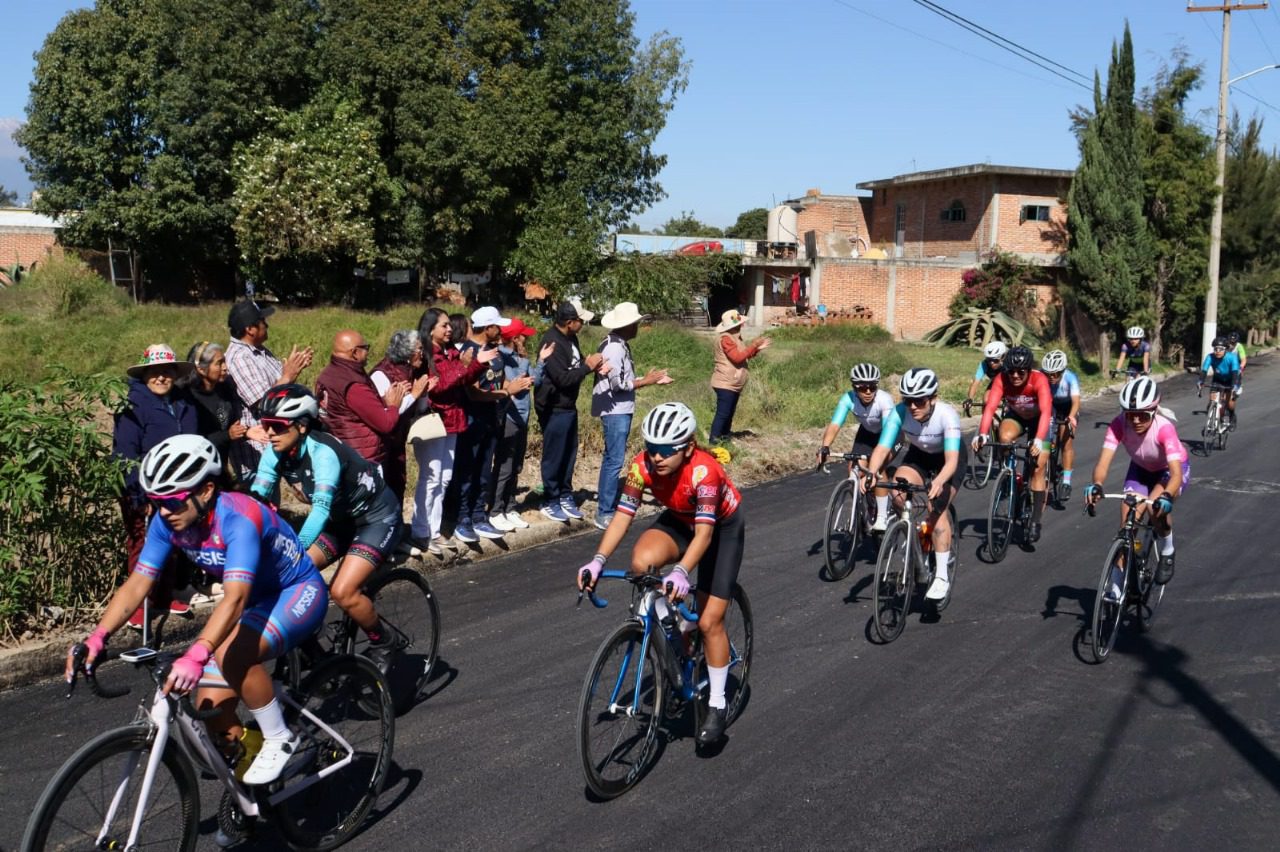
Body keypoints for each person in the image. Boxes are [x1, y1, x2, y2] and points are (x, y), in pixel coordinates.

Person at [69, 434, 329, 786]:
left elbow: (234, 599)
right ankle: (257, 789)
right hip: (256, 600)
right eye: (155, 501)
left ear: (206, 490)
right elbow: (138, 583)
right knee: (210, 709)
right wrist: (98, 637)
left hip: (295, 591)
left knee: (229, 654)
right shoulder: (166, 522)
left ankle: (280, 737)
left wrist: (197, 653)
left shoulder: (239, 518)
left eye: (172, 501)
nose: (163, 511)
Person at [576, 402, 744, 746]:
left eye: (666, 451)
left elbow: (705, 536)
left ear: (688, 448)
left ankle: (716, 702)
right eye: (652, 449)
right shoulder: (641, 467)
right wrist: (597, 560)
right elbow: (622, 517)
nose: (656, 457)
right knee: (641, 565)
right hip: (680, 519)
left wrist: (682, 570)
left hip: (719, 529)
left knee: (711, 620)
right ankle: (675, 629)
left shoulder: (704, 471)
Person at [249, 385, 404, 671]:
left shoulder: (323, 454)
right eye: (265, 425)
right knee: (287, 580)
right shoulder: (274, 453)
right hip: (340, 522)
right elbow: (254, 503)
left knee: (343, 591)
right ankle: (311, 646)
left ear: (302, 426)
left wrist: (290, 550)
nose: (268, 433)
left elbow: (319, 511)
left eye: (276, 426)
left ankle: (384, 639)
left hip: (376, 519)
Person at [114, 344, 199, 627]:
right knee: (142, 544)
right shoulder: (133, 406)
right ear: (145, 374)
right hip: (142, 489)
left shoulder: (183, 404)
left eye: (166, 372)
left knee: (173, 542)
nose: (161, 378)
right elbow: (125, 454)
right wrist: (141, 492)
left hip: (177, 486)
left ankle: (163, 597)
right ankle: (138, 605)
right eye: (155, 372)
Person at [864, 369, 965, 601]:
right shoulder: (900, 412)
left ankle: (941, 575)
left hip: (948, 461)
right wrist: (871, 472)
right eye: (908, 400)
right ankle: (910, 530)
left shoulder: (947, 415)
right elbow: (882, 448)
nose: (913, 407)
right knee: (899, 494)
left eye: (919, 400)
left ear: (933, 398)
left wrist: (939, 480)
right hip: (919, 456)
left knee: (936, 510)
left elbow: (951, 461)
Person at [1084, 376, 1187, 599]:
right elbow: (1103, 463)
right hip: (1140, 470)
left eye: (1143, 415)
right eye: (1131, 415)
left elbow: (1176, 474)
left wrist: (1168, 495)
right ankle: (1116, 584)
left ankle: (1168, 548)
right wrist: (1097, 485)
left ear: (1154, 410)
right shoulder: (1118, 424)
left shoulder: (1164, 428)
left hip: (1167, 472)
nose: (1137, 420)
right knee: (1126, 526)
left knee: (1155, 508)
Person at [408, 308, 494, 555]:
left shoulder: (450, 351)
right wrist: (466, 365)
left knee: (444, 478)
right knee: (431, 477)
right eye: (443, 325)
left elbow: (463, 378)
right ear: (430, 328)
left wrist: (476, 364)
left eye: (448, 325)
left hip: (453, 420)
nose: (449, 329)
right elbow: (440, 387)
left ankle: (434, 531)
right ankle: (421, 531)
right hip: (435, 421)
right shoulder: (426, 355)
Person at [455, 306, 533, 543]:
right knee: (469, 471)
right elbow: (473, 393)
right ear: (487, 328)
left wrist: (511, 386)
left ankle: (479, 516)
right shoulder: (470, 353)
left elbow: (501, 379)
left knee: (483, 472)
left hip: (492, 419)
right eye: (497, 325)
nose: (500, 329)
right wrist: (505, 393)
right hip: (473, 421)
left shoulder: (494, 351)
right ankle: (462, 519)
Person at [592, 301, 672, 530]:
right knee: (614, 460)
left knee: (613, 458)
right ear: (627, 326)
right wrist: (647, 381)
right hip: (615, 409)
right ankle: (604, 511)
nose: (637, 327)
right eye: (635, 323)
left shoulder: (617, 343)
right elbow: (617, 384)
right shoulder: (615, 348)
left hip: (618, 408)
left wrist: (647, 379)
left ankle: (607, 506)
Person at [315, 329, 430, 481]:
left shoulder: (328, 374)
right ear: (355, 352)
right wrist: (394, 404)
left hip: (347, 451)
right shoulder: (352, 384)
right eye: (365, 348)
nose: (368, 352)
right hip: (362, 457)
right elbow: (385, 423)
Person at [536, 300, 608, 522]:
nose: (583, 324)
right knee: (554, 455)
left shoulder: (570, 338)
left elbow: (576, 365)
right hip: (554, 406)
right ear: (569, 322)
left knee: (569, 453)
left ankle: (565, 494)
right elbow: (563, 379)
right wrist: (588, 367)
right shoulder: (552, 342)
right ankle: (551, 499)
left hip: (568, 406)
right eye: (580, 320)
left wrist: (593, 365)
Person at [973, 346, 1053, 543]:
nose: (1015, 376)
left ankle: (1035, 520)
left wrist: (1038, 439)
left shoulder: (1039, 379)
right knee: (1004, 437)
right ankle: (1011, 475)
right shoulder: (1001, 379)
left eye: (1021, 372)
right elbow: (990, 408)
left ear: (1028, 370)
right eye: (1011, 372)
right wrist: (982, 434)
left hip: (1040, 422)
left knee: (1038, 467)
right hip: (1017, 416)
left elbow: (1045, 412)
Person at [223, 299, 313, 470]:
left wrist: (293, 369)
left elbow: (280, 385)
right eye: (262, 321)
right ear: (250, 329)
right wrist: (288, 375)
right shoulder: (240, 359)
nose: (267, 325)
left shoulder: (259, 350)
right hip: (257, 458)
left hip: (272, 449)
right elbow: (264, 404)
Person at [816, 362, 896, 531]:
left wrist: (874, 463)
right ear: (854, 387)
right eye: (862, 388)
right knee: (854, 468)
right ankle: (865, 509)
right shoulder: (848, 398)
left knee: (878, 468)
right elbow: (835, 425)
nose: (868, 392)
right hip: (867, 433)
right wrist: (825, 447)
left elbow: (887, 435)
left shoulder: (884, 400)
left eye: (872, 387)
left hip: (889, 435)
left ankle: (882, 516)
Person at [489, 319, 552, 532]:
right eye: (523, 335)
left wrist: (541, 361)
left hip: (523, 417)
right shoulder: (499, 356)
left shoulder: (521, 358)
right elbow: (506, 383)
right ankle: (496, 510)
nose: (527, 338)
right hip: (508, 417)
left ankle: (510, 506)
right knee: (504, 466)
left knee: (516, 465)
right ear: (515, 338)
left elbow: (537, 380)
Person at [370, 329, 437, 502]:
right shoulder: (381, 374)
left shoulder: (408, 371)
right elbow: (384, 414)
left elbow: (417, 409)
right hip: (381, 446)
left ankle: (397, 527)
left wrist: (423, 394)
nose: (423, 355)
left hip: (398, 441)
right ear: (408, 353)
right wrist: (414, 394)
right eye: (420, 350)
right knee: (384, 489)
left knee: (398, 484)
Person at [181, 341, 254, 489]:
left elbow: (230, 424)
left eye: (225, 362)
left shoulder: (223, 388)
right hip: (197, 470)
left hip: (220, 465)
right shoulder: (188, 398)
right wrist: (227, 435)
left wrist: (246, 431)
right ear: (201, 369)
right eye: (219, 363)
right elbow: (193, 440)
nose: (225, 368)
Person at [709, 309, 770, 443]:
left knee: (729, 413)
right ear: (734, 326)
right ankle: (713, 442)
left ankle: (724, 437)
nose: (741, 326)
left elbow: (743, 356)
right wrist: (753, 345)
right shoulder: (726, 339)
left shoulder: (734, 337)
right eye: (739, 324)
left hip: (732, 382)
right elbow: (737, 358)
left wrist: (756, 350)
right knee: (723, 414)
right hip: (725, 382)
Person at [1041, 349, 1080, 498]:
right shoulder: (1042, 376)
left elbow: (1076, 402)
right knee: (1045, 437)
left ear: (1062, 371)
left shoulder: (1070, 378)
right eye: (1048, 373)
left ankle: (1066, 481)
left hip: (1068, 408)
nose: (1051, 377)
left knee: (1066, 441)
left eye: (1056, 373)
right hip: (1051, 406)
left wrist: (1071, 417)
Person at [1199, 336, 1242, 430]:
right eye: (1215, 349)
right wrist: (1201, 381)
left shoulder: (1232, 357)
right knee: (1212, 402)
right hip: (1218, 379)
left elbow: (1235, 372)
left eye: (1221, 349)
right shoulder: (1210, 357)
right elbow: (1204, 370)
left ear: (1226, 349)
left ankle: (1232, 417)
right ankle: (1213, 421)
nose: (1217, 351)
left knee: (1229, 403)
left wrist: (1234, 386)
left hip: (1232, 379)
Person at [965, 340, 1008, 414]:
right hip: (997, 383)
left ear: (1003, 357)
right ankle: (987, 422)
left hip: (1011, 385)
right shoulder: (984, 364)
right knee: (986, 400)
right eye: (989, 360)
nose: (991, 363)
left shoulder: (1009, 363)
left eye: (995, 360)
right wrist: (970, 399)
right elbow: (976, 382)